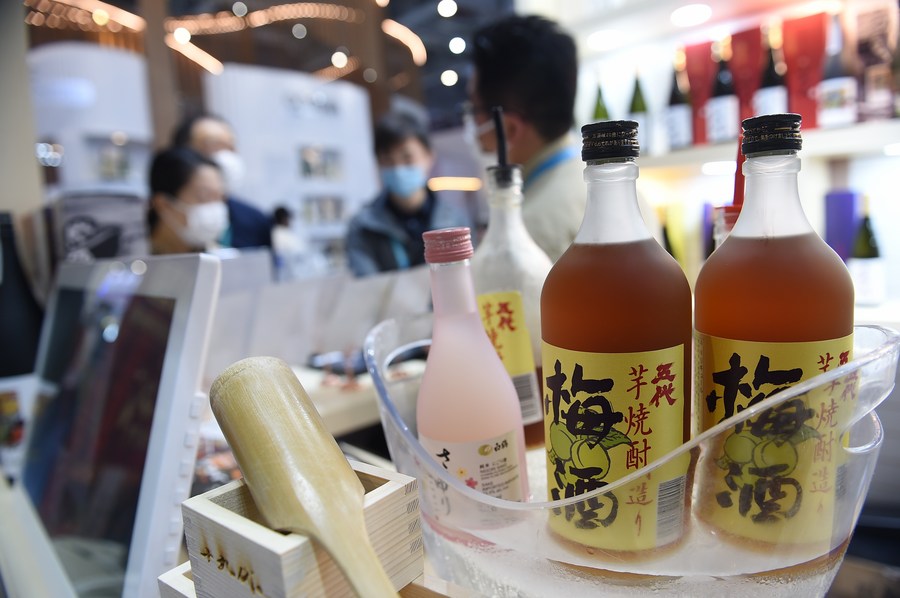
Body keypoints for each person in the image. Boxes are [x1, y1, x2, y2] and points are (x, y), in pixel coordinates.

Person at [468, 15, 660, 262]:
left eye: (474, 109)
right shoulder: (633, 195)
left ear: (509, 128)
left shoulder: (528, 233)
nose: (470, 122)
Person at [345, 111, 471, 276]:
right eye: (388, 160)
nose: (398, 168)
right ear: (378, 163)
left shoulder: (456, 222)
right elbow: (366, 283)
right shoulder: (362, 226)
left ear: (429, 156)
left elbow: (465, 276)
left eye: (407, 158)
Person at [170, 113, 272, 249]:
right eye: (212, 145)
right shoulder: (166, 221)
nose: (226, 156)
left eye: (231, 147)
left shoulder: (256, 221)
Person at [147, 147, 229, 254]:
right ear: (164, 204)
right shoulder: (134, 258)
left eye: (219, 197)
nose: (215, 208)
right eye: (204, 197)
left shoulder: (222, 257)